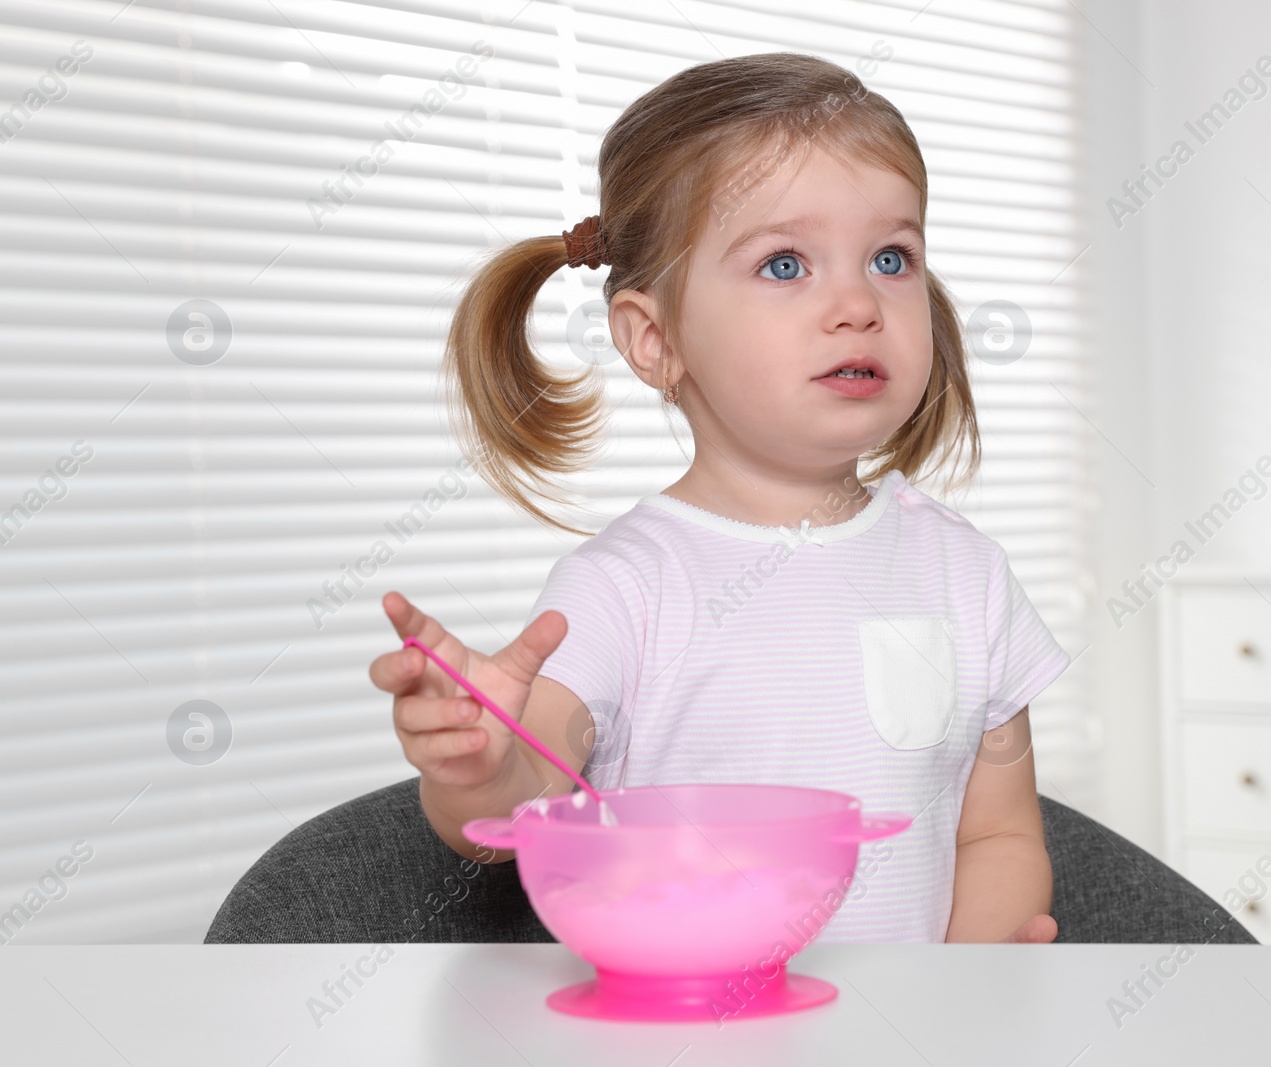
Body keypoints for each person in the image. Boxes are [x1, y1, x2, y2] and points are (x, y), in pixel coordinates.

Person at [367, 52, 1069, 944]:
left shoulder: (966, 574)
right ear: (654, 338)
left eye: (890, 257)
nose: (857, 302)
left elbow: (998, 831)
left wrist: (968, 991)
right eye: (785, 265)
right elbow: (522, 802)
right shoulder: (623, 588)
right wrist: (480, 759)